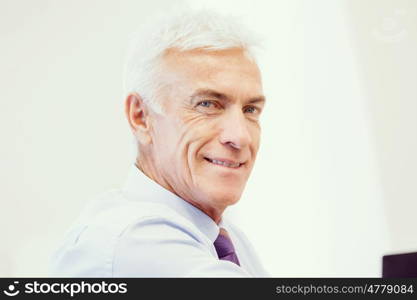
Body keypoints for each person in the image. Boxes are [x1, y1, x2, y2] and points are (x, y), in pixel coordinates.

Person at [50, 9, 268, 277]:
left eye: (250, 110)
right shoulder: (133, 240)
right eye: (207, 104)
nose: (241, 136)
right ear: (141, 116)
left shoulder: (222, 236)